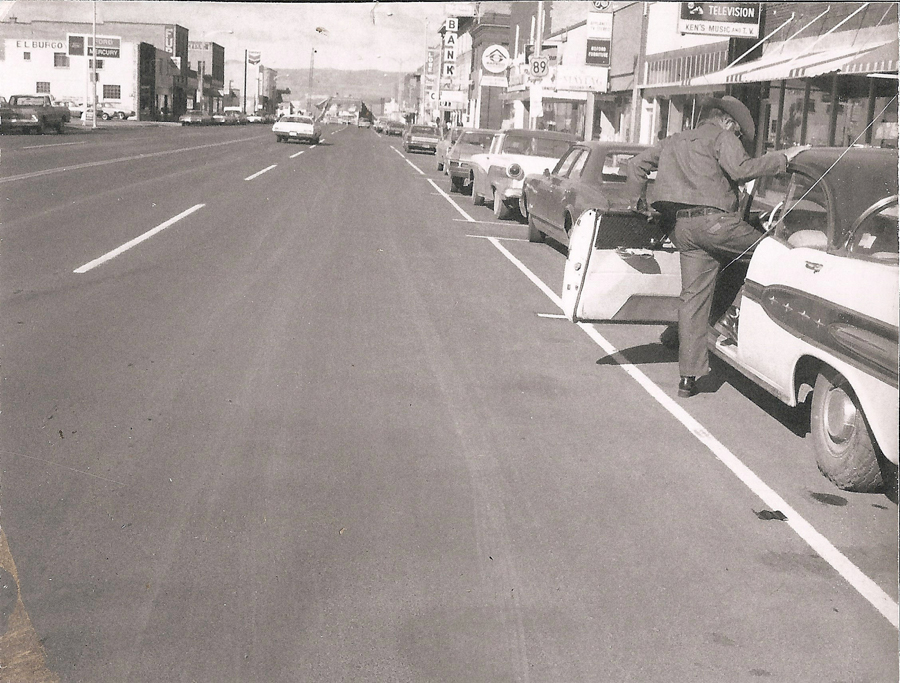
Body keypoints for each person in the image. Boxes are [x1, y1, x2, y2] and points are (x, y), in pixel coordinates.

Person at [625, 95, 808, 398]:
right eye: (738, 133)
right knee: (774, 256)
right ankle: (737, 325)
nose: (736, 137)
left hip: (681, 229)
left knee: (694, 299)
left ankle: (688, 378)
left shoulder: (673, 140)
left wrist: (640, 206)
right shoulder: (722, 137)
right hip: (717, 225)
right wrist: (784, 158)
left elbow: (635, 166)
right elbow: (741, 169)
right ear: (726, 122)